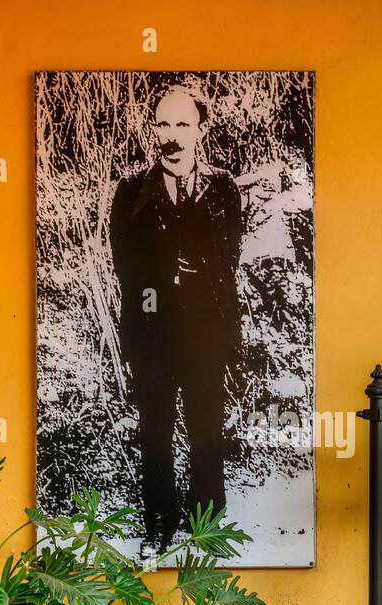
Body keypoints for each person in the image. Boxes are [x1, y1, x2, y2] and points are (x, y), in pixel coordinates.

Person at [109, 84, 246, 554]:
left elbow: (227, 258)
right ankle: (159, 527)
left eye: (182, 124)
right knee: (156, 431)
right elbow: (127, 269)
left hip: (207, 333)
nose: (172, 135)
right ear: (153, 129)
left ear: (200, 130)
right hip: (152, 334)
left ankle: (208, 527)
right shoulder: (130, 194)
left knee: (207, 427)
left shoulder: (223, 189)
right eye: (164, 124)